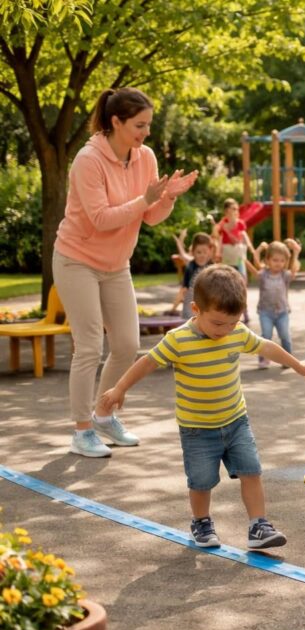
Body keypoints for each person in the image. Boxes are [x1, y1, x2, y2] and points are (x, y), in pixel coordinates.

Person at [98, 265, 305, 549]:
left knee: (252, 471)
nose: (225, 330)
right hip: (197, 429)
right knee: (201, 482)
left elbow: (267, 347)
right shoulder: (178, 339)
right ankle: (201, 522)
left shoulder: (236, 332)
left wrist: (297, 365)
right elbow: (148, 362)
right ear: (196, 309)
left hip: (236, 421)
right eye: (217, 323)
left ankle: (258, 525)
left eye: (232, 322)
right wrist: (120, 388)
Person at [53, 86, 198, 458]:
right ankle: (82, 430)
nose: (145, 133)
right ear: (115, 122)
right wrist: (146, 198)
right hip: (76, 260)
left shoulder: (144, 157)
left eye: (148, 125)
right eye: (139, 125)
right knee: (89, 345)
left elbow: (149, 218)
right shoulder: (88, 160)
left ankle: (104, 415)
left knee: (126, 345)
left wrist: (167, 198)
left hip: (117, 265)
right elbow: (101, 219)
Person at [245, 239, 301, 369]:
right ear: (268, 260)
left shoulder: (284, 275)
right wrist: (247, 259)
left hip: (282, 312)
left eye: (282, 260)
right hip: (266, 312)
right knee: (266, 336)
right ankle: (263, 359)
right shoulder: (263, 274)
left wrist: (296, 252)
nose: (278, 263)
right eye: (275, 260)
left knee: (285, 336)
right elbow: (255, 268)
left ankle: (287, 360)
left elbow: (293, 270)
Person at [170, 231, 215, 317]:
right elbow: (184, 289)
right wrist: (174, 308)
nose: (202, 255)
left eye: (205, 252)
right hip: (191, 307)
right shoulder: (190, 267)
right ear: (193, 252)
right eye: (199, 252)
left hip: (207, 306)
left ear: (209, 251)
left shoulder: (212, 267)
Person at [211, 198, 252, 278]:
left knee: (242, 275)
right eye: (233, 209)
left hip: (238, 254)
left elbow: (240, 239)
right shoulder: (222, 223)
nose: (236, 211)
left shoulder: (240, 223)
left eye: (237, 209)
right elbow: (216, 237)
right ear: (226, 211)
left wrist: (250, 248)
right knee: (227, 275)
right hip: (227, 255)